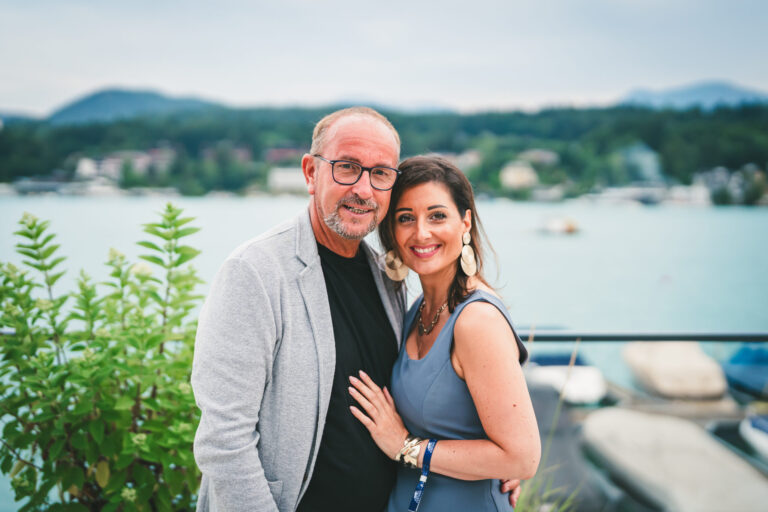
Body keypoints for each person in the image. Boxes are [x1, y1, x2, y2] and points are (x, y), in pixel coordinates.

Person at [192, 107, 520, 512]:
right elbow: (224, 440)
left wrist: (492, 459)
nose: (363, 189)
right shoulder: (255, 272)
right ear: (311, 172)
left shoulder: (387, 279)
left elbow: (422, 404)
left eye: (380, 173)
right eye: (347, 167)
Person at [348, 156, 540, 511]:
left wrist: (405, 446)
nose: (422, 233)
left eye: (437, 216)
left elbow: (521, 458)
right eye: (406, 218)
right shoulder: (416, 310)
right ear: (391, 231)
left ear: (465, 222)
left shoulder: (477, 320)